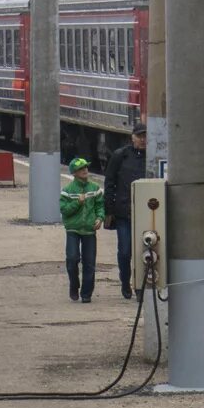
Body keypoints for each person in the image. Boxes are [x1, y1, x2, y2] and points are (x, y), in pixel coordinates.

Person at [104, 123, 147, 299]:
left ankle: (139, 286)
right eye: (140, 136)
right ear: (133, 137)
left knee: (143, 252)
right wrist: (109, 210)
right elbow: (109, 182)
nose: (143, 139)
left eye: (145, 136)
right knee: (124, 251)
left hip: (145, 213)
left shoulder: (153, 157)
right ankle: (124, 281)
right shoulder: (120, 156)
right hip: (124, 213)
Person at [60, 157, 104, 303]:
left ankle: (86, 294)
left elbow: (100, 206)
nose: (85, 170)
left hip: (90, 230)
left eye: (86, 167)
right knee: (72, 259)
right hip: (73, 229)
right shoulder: (67, 191)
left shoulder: (95, 188)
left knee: (89, 262)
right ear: (74, 173)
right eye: (81, 168)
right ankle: (74, 284)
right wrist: (77, 203)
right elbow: (64, 210)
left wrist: (100, 218)